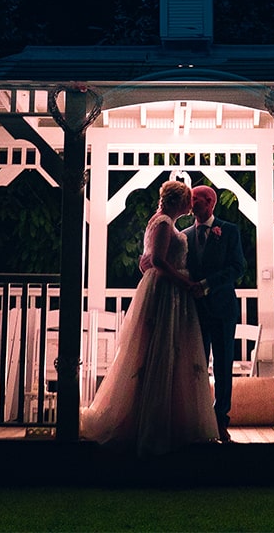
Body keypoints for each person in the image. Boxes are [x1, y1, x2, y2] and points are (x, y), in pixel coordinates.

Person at [80, 180, 219, 455]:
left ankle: (169, 421)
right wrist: (183, 281)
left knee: (170, 351)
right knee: (160, 349)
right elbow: (157, 261)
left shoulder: (163, 222)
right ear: (178, 201)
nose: (190, 205)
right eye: (187, 200)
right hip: (167, 292)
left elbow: (151, 259)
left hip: (169, 292)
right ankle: (152, 425)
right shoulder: (165, 223)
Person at [184, 184, 246, 442]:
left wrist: (206, 285)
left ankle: (221, 419)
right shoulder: (184, 234)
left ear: (210, 202)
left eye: (196, 199)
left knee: (223, 365)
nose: (191, 204)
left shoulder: (229, 231)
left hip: (221, 308)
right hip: (193, 311)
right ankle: (195, 420)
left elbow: (237, 268)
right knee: (194, 365)